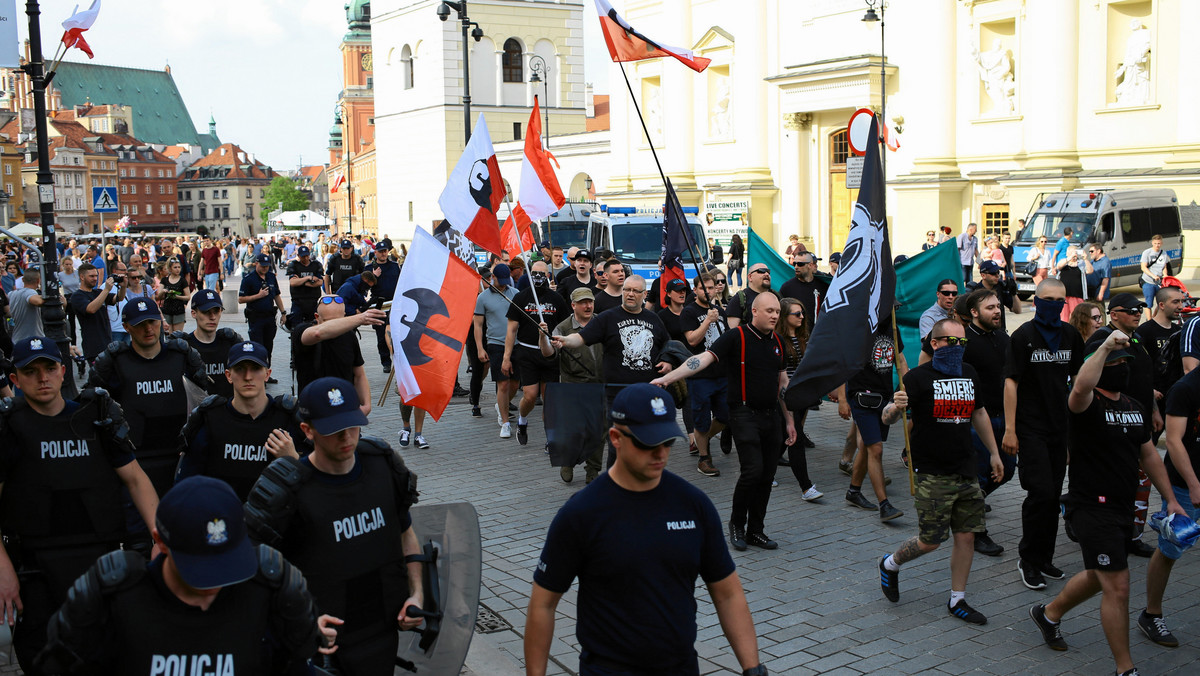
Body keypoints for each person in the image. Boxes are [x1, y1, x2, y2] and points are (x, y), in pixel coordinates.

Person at [524, 383, 766, 676]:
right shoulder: (581, 514)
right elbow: (543, 604)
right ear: (616, 438)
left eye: (667, 442)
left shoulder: (694, 505)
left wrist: (753, 669)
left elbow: (727, 594)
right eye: (646, 443)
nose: (660, 453)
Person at [36, 476, 330, 674]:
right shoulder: (116, 597)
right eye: (201, 567)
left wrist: (304, 628)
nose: (215, 582)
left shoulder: (266, 587)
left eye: (226, 563)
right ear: (160, 542)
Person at [0, 336, 160, 673]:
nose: (42, 378)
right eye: (30, 371)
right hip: (35, 569)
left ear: (62, 370)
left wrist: (162, 540)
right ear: (15, 379)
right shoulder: (9, 428)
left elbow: (135, 479)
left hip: (99, 559)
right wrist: (3, 571)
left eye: (48, 368)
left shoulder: (97, 418)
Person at [244, 377, 424, 675]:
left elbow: (406, 533)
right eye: (334, 430)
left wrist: (416, 593)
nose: (346, 438)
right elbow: (250, 567)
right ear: (307, 430)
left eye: (352, 425)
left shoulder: (381, 465)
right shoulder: (286, 490)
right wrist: (298, 621)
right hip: (322, 649)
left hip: (382, 634)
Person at [1028, 329, 1182, 676]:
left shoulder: (1133, 406)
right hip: (1090, 506)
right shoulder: (1084, 403)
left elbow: (1149, 455)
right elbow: (1081, 387)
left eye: (1125, 362)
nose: (1121, 367)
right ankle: (1125, 669)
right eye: (1115, 362)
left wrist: (1171, 499)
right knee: (1119, 584)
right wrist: (1106, 347)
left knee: (1101, 575)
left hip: (1122, 507)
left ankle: (1048, 613)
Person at [878, 318, 1004, 624]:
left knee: (967, 537)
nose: (958, 348)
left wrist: (994, 453)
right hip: (932, 471)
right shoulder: (918, 378)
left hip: (966, 468)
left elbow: (979, 413)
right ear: (935, 344)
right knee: (931, 540)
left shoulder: (969, 373)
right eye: (952, 342)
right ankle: (891, 563)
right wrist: (896, 407)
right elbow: (887, 418)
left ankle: (957, 599)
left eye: (963, 343)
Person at [655, 293, 796, 551]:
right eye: (769, 311)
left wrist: (789, 420)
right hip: (742, 413)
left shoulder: (777, 341)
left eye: (777, 311)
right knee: (752, 470)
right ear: (754, 311)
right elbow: (702, 360)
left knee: (766, 475)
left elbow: (782, 383)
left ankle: (756, 530)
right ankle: (736, 524)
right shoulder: (737, 336)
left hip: (771, 415)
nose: (775, 315)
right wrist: (669, 378)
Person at [1004, 278, 1085, 590]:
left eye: (1059, 299)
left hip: (1059, 428)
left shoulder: (1069, 334)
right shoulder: (1023, 336)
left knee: (1052, 495)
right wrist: (1010, 430)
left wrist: (1074, 432)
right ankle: (1028, 558)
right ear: (1036, 300)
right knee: (1039, 494)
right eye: (1048, 298)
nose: (1054, 303)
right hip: (1030, 428)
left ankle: (1044, 557)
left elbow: (1078, 381)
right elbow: (1011, 383)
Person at [87, 298, 208, 499]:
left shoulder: (182, 356)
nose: (148, 329)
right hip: (134, 460)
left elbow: (202, 400)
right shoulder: (115, 363)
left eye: (152, 322)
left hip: (179, 455)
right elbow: (94, 408)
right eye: (140, 324)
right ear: (126, 327)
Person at [552, 276, 672, 469]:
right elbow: (581, 338)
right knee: (618, 444)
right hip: (617, 395)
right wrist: (564, 340)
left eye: (635, 291)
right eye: (626, 290)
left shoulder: (654, 319)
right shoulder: (608, 317)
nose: (630, 294)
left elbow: (667, 346)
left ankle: (640, 481)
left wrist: (668, 361)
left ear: (644, 295)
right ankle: (613, 485)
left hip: (647, 393)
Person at [176, 341, 306, 501]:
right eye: (240, 369)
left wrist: (293, 459)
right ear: (228, 376)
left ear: (267, 374)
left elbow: (315, 486)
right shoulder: (210, 418)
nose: (248, 377)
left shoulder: (288, 418)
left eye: (256, 369)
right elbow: (186, 483)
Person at [1139, 338, 1200, 648]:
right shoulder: (1186, 389)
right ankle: (1151, 614)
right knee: (1171, 548)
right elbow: (1174, 442)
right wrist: (1193, 485)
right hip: (1186, 483)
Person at [960, 289, 1014, 556]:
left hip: (1005, 418)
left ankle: (966, 503)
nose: (997, 311)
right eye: (990, 307)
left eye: (998, 307)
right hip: (976, 420)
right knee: (981, 475)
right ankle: (977, 532)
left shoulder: (1004, 337)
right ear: (974, 312)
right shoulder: (964, 341)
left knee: (1008, 470)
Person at [838, 315, 907, 521]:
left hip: (883, 399)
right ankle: (884, 505)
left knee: (868, 448)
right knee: (875, 449)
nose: (893, 310)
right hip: (861, 398)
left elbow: (901, 361)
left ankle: (854, 491)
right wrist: (842, 399)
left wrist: (907, 388)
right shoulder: (860, 328)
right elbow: (844, 366)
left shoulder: (893, 328)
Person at [542, 287, 606, 483]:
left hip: (600, 386)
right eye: (583, 302)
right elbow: (548, 354)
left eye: (590, 302)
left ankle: (593, 471)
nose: (588, 306)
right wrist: (542, 337)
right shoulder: (562, 328)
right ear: (573, 305)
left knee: (598, 432)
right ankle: (568, 461)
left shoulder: (602, 322)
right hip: (573, 386)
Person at [505, 261, 568, 444]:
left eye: (542, 273)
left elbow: (566, 326)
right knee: (530, 396)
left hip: (550, 355)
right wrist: (506, 357)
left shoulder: (556, 299)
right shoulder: (521, 298)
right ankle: (522, 421)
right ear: (529, 274)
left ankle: (550, 439)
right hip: (527, 353)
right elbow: (511, 330)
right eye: (535, 273)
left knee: (550, 401)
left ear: (548, 275)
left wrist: (563, 342)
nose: (538, 277)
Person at [679, 273, 730, 477]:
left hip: (722, 373)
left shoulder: (719, 310)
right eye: (703, 288)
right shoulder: (689, 312)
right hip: (700, 375)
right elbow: (692, 340)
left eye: (711, 288)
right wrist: (708, 320)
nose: (708, 291)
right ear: (696, 290)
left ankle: (702, 439)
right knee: (701, 419)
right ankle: (704, 457)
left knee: (726, 415)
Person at [293, 296, 384, 404]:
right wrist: (360, 318)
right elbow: (317, 333)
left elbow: (359, 375)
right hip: (314, 407)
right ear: (317, 317)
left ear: (344, 317)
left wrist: (366, 405)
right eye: (329, 321)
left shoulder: (349, 336)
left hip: (345, 406)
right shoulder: (301, 331)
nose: (335, 326)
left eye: (338, 321)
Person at [776, 297, 821, 499]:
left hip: (801, 396)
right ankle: (806, 487)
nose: (802, 317)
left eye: (802, 313)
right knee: (796, 439)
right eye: (797, 314)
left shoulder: (804, 338)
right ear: (785, 317)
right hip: (783, 399)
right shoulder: (777, 340)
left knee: (783, 439)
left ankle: (764, 471)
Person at [173, 289, 245, 399]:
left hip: (227, 409)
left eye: (216, 311)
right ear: (194, 313)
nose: (212, 317)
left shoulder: (230, 342)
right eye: (206, 312)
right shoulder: (185, 347)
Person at [475, 264, 520, 436]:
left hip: (516, 344)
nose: (502, 285)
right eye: (499, 281)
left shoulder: (515, 294)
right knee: (503, 384)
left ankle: (501, 405)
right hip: (495, 344)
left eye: (504, 281)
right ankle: (505, 422)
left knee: (515, 384)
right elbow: (478, 325)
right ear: (492, 277)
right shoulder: (483, 297)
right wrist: (480, 348)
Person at [237, 253, 287, 383]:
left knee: (268, 347)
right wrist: (258, 296)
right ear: (256, 264)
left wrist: (283, 312)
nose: (265, 268)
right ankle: (258, 376)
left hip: (269, 318)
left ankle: (265, 374)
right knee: (258, 348)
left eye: (267, 266)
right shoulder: (248, 279)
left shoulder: (271, 276)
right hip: (256, 318)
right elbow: (241, 299)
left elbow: (276, 295)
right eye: (263, 266)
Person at [67, 263, 124, 367]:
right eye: (91, 276)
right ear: (82, 277)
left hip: (107, 342)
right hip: (93, 346)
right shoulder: (77, 296)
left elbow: (118, 298)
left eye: (96, 276)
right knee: (100, 377)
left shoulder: (98, 292)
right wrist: (106, 289)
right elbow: (91, 309)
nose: (95, 279)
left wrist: (123, 286)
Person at [364, 242, 401, 373]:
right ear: (376, 253)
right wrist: (374, 276)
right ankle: (386, 362)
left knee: (396, 335)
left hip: (394, 304)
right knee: (381, 336)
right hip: (379, 305)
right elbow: (364, 287)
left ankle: (398, 361)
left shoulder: (395, 266)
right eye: (380, 251)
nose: (383, 253)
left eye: (385, 251)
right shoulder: (369, 268)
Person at [779, 251, 830, 335]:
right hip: (797, 337)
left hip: (819, 336)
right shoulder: (787, 287)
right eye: (794, 263)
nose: (796, 267)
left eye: (800, 264)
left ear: (810, 265)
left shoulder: (823, 286)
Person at [966, 260, 1020, 328]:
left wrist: (1014, 293)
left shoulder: (1000, 287)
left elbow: (1017, 310)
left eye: (998, 272)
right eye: (993, 273)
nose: (997, 275)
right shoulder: (976, 291)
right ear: (983, 275)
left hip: (1000, 333)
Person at [286, 244, 325, 328]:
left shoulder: (316, 265)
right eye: (303, 256)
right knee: (296, 326)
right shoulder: (294, 265)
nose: (306, 258)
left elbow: (320, 282)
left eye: (307, 256)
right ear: (298, 256)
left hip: (313, 301)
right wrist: (308, 278)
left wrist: (300, 281)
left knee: (314, 326)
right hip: (298, 301)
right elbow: (293, 282)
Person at [726, 263, 775, 327]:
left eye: (768, 272)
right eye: (761, 271)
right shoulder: (739, 299)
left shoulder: (776, 296)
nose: (766, 274)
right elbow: (732, 331)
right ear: (750, 277)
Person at [156, 258, 191, 333]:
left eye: (179, 267)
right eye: (175, 267)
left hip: (179, 310)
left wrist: (177, 296)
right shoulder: (164, 280)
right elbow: (158, 296)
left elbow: (188, 297)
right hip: (167, 309)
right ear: (170, 269)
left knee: (178, 334)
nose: (177, 269)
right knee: (169, 335)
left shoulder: (182, 281)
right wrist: (163, 292)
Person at [8, 269, 44, 342]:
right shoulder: (31, 292)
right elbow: (37, 301)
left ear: (23, 280)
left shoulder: (11, 294)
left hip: (16, 338)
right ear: (38, 281)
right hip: (32, 340)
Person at [324, 239, 366, 303]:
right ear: (341, 249)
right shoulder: (335, 259)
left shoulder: (357, 259)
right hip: (337, 291)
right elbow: (327, 275)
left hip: (353, 291)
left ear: (351, 248)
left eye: (348, 248)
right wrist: (328, 293)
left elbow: (363, 275)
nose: (346, 250)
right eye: (344, 248)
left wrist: (363, 292)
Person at [1055, 245, 1089, 321]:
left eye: (1075, 252)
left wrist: (1085, 259)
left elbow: (1090, 271)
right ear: (1067, 253)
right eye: (1071, 252)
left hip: (1077, 294)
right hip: (1063, 295)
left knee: (1077, 316)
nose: (1074, 254)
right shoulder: (1064, 262)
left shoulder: (1081, 263)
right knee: (1063, 317)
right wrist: (1069, 258)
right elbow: (1058, 266)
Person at [1140, 234, 1170, 313]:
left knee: (1162, 302)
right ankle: (1149, 321)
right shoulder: (1147, 252)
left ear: (1161, 243)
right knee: (1148, 303)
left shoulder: (1164, 253)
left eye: (1159, 243)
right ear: (1152, 243)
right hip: (1148, 281)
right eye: (1155, 243)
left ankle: (1154, 318)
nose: (1157, 245)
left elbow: (1164, 267)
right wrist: (1153, 276)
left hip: (1159, 282)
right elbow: (1143, 267)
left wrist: (1165, 275)